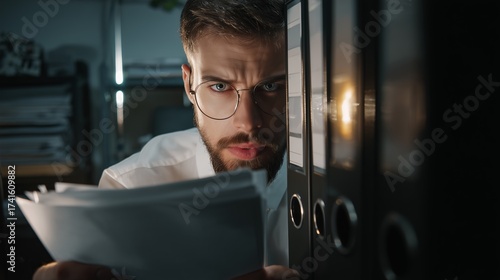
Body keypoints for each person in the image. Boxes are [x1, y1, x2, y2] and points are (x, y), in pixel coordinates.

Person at [33, 0, 297, 279]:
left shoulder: (338, 179)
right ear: (189, 85)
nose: (248, 122)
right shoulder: (132, 188)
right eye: (219, 86)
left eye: (270, 86)